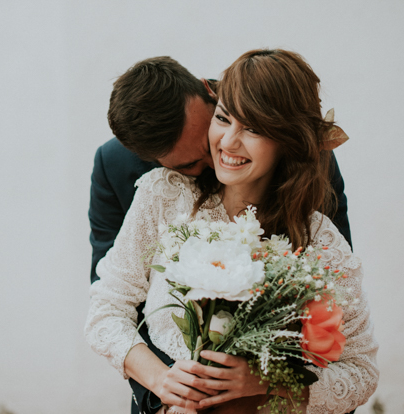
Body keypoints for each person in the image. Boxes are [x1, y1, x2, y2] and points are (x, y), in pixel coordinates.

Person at [86, 49, 378, 414]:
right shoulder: (160, 194)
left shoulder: (319, 236)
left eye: (252, 128)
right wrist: (164, 387)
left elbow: (351, 358)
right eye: (223, 120)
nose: (224, 146)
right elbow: (110, 303)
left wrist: (271, 383)